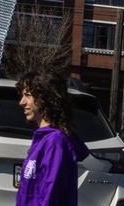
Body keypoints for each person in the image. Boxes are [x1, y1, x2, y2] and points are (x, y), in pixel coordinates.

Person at [15, 70, 89, 206]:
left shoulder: (55, 142)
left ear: (45, 98)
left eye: (27, 95)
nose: (21, 102)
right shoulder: (43, 139)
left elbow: (52, 194)